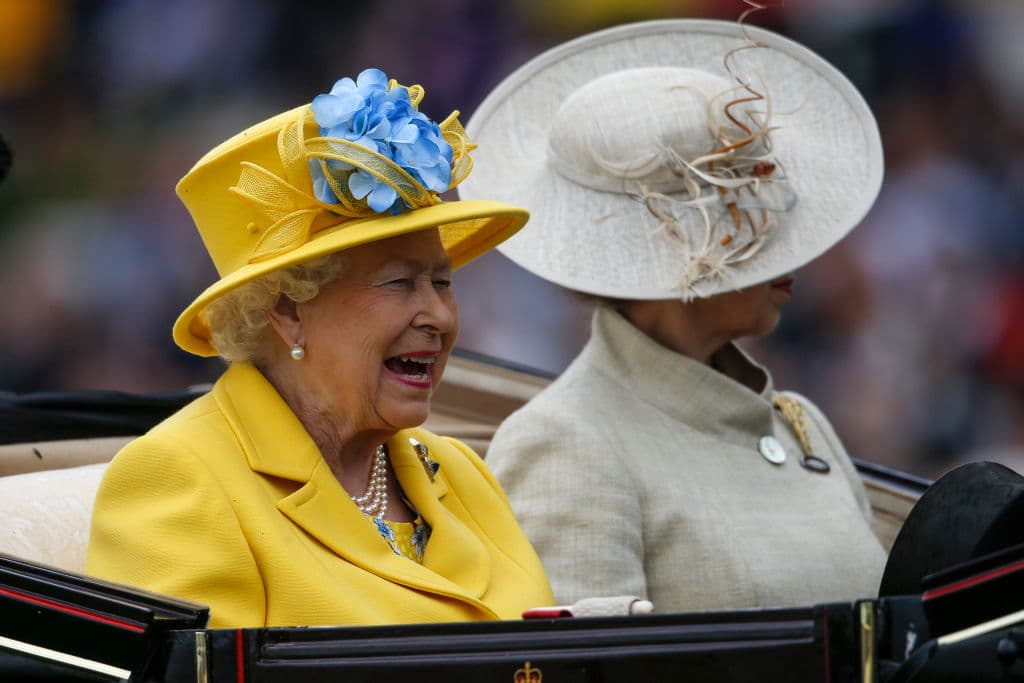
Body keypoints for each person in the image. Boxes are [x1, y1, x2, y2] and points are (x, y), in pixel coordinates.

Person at [86, 68, 554, 627]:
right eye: (399, 283)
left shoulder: (461, 473)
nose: (439, 316)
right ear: (288, 312)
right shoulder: (179, 479)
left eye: (442, 281)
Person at [457, 19, 888, 612]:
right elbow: (585, 659)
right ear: (675, 250)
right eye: (743, 217)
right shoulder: (565, 441)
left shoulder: (803, 426)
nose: (788, 245)